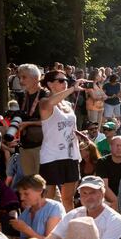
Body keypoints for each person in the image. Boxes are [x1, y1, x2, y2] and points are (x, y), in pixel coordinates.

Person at [47, 175, 121, 239]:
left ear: (102, 193)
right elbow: (53, 238)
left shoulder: (114, 220)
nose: (88, 197)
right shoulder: (73, 215)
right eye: (84, 193)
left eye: (92, 192)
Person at [38, 70, 84, 213]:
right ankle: (46, 230)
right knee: (49, 200)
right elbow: (51, 102)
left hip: (71, 154)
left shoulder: (68, 105)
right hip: (51, 156)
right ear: (50, 84)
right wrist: (73, 89)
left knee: (68, 199)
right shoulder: (44, 102)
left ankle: (69, 230)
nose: (65, 83)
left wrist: (80, 136)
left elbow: (71, 127)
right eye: (61, 80)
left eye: (66, 80)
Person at [12, 174, 65, 239]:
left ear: (40, 190)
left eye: (26, 194)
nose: (21, 198)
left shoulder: (54, 208)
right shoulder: (26, 213)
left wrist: (26, 230)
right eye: (20, 194)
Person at [95, 135, 121, 204]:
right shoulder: (102, 162)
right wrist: (117, 203)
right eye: (117, 145)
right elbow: (104, 186)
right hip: (108, 199)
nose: (119, 148)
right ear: (110, 147)